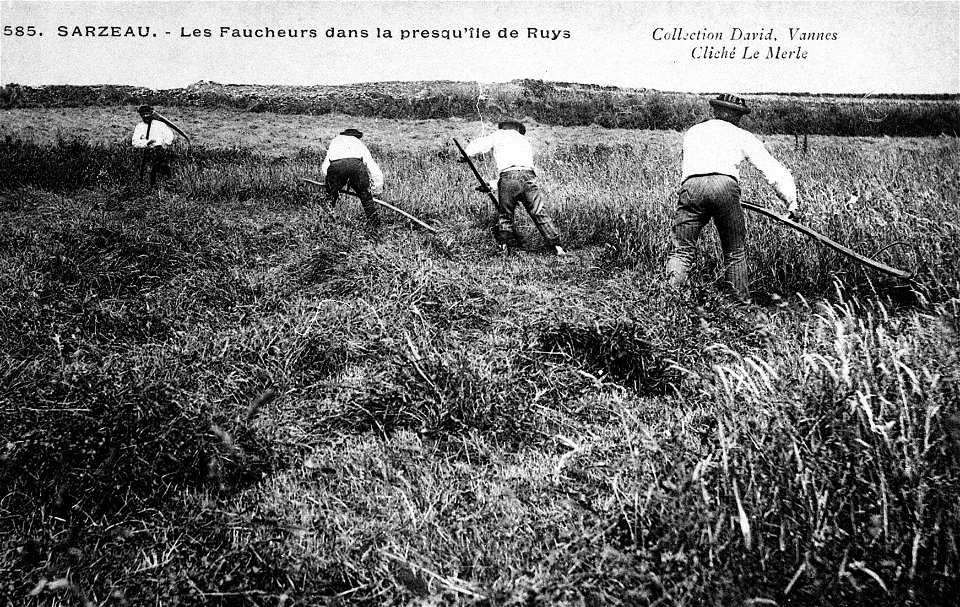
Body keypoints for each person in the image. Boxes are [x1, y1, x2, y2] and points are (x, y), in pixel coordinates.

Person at [665, 94, 799, 303]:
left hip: (690, 187)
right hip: (725, 187)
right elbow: (771, 169)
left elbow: (687, 166)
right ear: (737, 116)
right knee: (735, 251)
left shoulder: (693, 132)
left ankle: (668, 301)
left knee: (682, 249)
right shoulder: (741, 135)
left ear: (716, 111)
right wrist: (791, 203)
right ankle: (740, 307)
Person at [463, 119, 566, 255]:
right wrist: (493, 185)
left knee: (505, 214)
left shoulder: (499, 135)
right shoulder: (524, 142)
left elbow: (482, 145)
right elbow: (520, 171)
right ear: (518, 129)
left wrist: (466, 154)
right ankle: (558, 247)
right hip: (529, 178)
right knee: (539, 212)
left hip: (508, 178)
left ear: (504, 127)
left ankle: (503, 247)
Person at [320, 128, 385, 228]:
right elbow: (372, 166)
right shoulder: (359, 143)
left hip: (336, 167)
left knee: (330, 198)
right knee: (366, 198)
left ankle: (325, 225)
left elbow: (325, 166)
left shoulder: (335, 141)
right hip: (356, 167)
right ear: (357, 136)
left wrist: (331, 184)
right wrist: (377, 188)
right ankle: (375, 226)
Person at [131, 105, 178, 186]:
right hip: (146, 152)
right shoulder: (139, 127)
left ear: (151, 113)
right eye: (143, 114)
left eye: (147, 113)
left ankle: (167, 184)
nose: (145, 116)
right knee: (148, 172)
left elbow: (169, 135)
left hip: (161, 151)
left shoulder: (160, 124)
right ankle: (149, 187)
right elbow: (135, 141)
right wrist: (146, 143)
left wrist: (165, 144)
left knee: (163, 169)